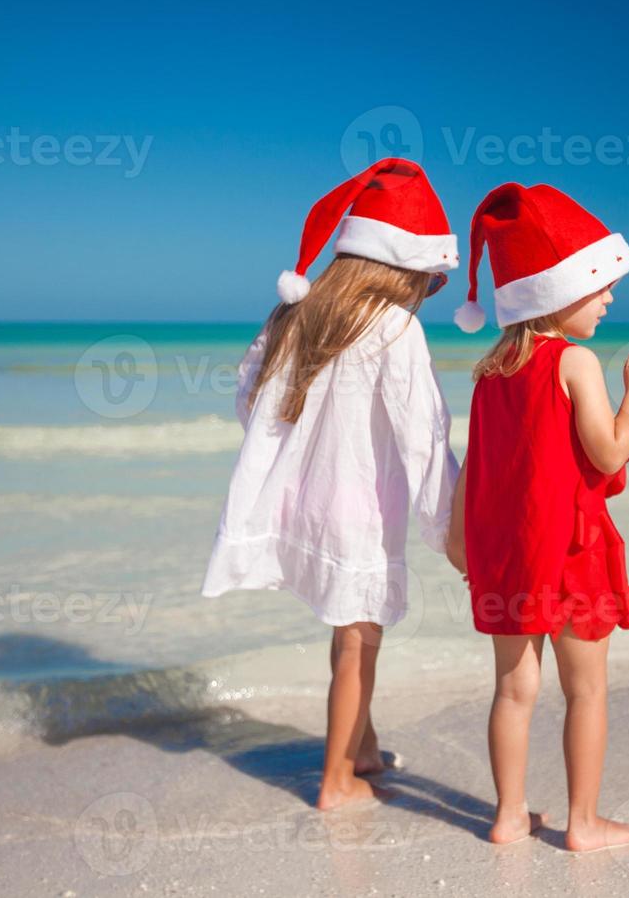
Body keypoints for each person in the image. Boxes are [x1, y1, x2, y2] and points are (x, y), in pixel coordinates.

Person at [203, 158, 460, 810]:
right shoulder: (395, 328)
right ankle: (337, 780)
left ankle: (363, 747)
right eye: (430, 281)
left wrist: (293, 458)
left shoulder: (296, 314)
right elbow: (423, 434)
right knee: (359, 641)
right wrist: (448, 524)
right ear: (400, 269)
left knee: (346, 630)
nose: (427, 294)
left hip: (312, 500)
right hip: (363, 509)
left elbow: (250, 398)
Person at [446, 182, 629, 849]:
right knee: (586, 691)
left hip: (510, 558)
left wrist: (462, 546)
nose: (610, 298)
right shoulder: (576, 361)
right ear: (557, 292)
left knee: (514, 690)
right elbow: (607, 451)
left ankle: (509, 817)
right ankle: (584, 823)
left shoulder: (490, 373)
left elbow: (475, 472)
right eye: (600, 285)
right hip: (571, 553)